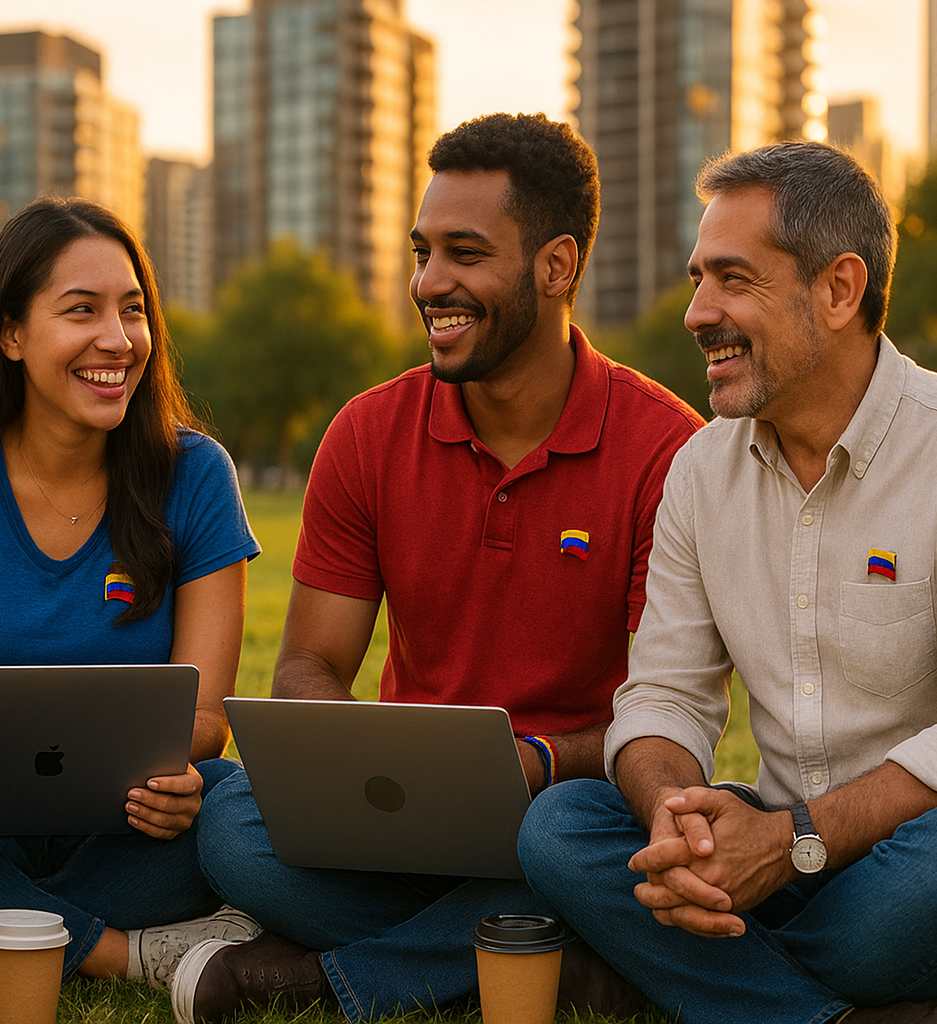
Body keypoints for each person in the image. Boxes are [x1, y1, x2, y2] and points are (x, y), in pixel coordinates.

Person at [172, 113, 705, 1024]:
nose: (429, 284)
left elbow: (671, 707)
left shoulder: (667, 451)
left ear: (557, 265)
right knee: (228, 820)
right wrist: (358, 758)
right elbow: (308, 665)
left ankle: (338, 976)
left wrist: (535, 762)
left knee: (572, 849)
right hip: (397, 816)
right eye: (422, 252)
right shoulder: (366, 433)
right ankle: (552, 950)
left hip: (567, 810)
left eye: (464, 253)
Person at [518, 140, 937, 1024]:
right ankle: (841, 1013)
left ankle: (661, 974)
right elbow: (661, 695)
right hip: (787, 858)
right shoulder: (699, 471)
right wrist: (673, 821)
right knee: (562, 826)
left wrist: (794, 839)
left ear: (839, 290)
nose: (698, 313)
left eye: (732, 280)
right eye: (699, 279)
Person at [0, 196, 262, 993]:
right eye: (81, 311)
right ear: (11, 334)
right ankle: (119, 953)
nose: (117, 340)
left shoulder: (198, 475)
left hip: (134, 834)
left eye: (133, 311)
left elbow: (207, 722)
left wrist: (175, 785)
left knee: (232, 808)